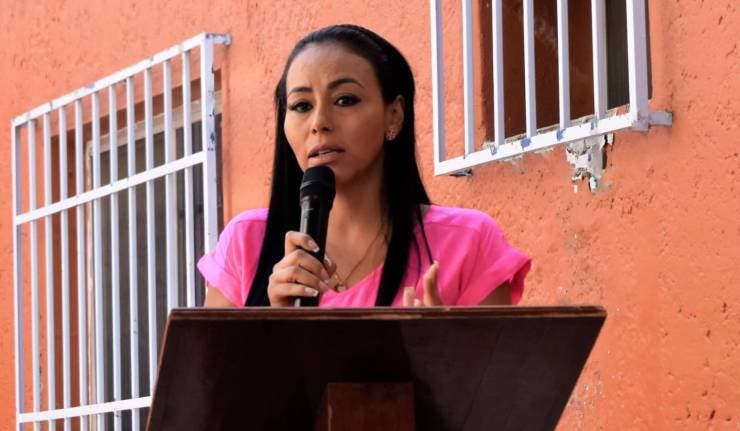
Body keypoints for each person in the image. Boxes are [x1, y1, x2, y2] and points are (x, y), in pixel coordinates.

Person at [200, 24, 530, 308]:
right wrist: (272, 327)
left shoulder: (468, 243)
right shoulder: (246, 243)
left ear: (394, 115)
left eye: (345, 100)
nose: (319, 122)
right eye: (301, 105)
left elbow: (506, 366)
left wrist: (441, 348)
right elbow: (204, 365)